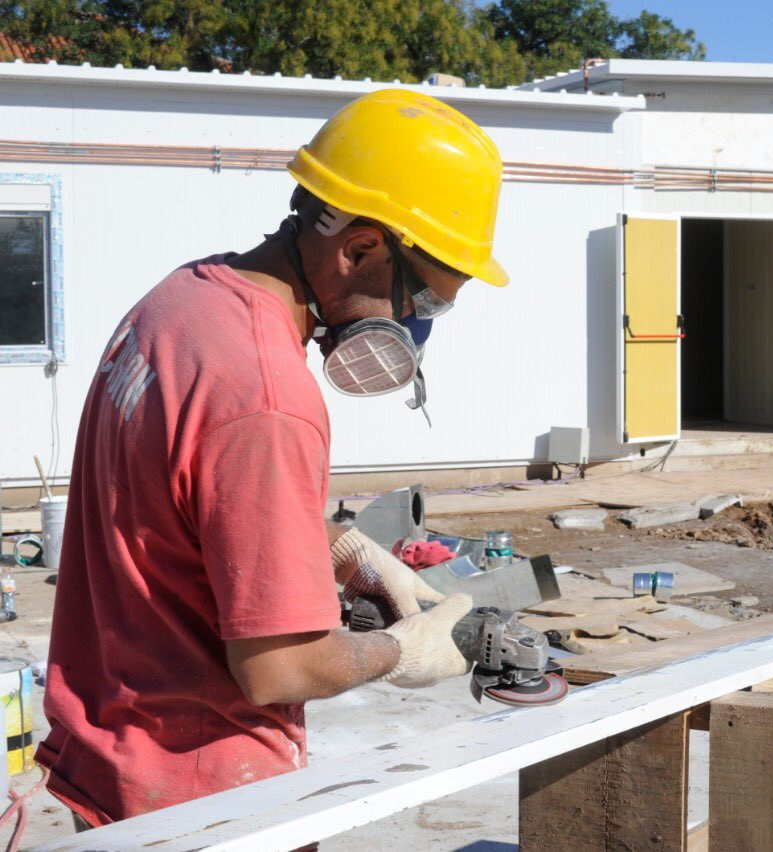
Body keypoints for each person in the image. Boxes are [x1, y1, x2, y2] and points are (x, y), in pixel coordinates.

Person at [35, 89, 509, 829]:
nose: (418, 329)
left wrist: (348, 553)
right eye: (425, 301)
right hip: (203, 796)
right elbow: (276, 668)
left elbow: (194, 499)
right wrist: (401, 650)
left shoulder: (183, 303)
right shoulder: (268, 395)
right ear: (359, 247)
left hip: (110, 753)